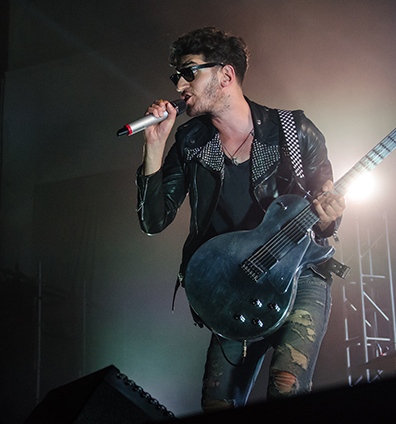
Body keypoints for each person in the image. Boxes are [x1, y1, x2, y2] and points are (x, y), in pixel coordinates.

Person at [135, 27, 346, 412]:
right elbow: (154, 221)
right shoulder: (190, 142)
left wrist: (331, 216)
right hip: (234, 286)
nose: (179, 85)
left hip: (299, 275)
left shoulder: (294, 131)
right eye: (176, 76)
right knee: (217, 403)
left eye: (189, 72)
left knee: (286, 385)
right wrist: (154, 147)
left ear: (226, 75)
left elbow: (325, 215)